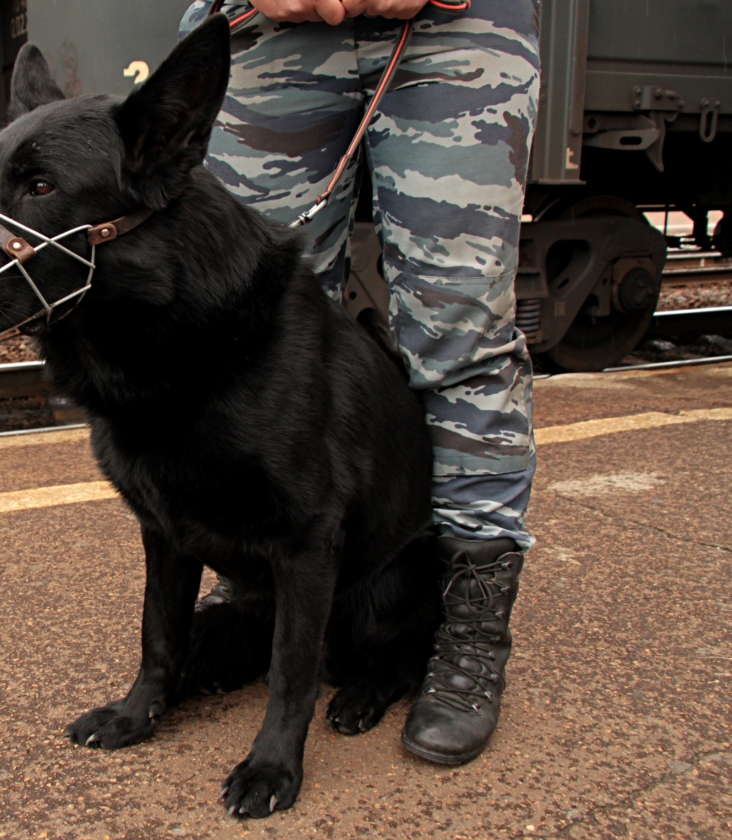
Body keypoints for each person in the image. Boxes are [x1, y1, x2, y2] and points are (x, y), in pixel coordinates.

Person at [181, 0, 540, 765]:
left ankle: (466, 624)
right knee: (242, 315)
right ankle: (264, 595)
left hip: (460, 26)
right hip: (262, 24)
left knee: (460, 336)